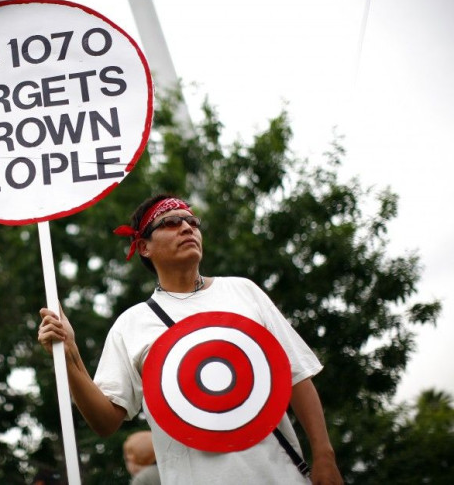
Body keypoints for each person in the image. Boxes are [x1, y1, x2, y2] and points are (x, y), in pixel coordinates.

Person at [38, 194, 343, 484]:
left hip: (282, 477)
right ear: (144, 246)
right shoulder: (132, 324)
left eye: (192, 222)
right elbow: (105, 422)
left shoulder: (243, 292)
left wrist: (324, 455)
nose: (187, 227)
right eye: (170, 223)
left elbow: (296, 376)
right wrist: (69, 356)